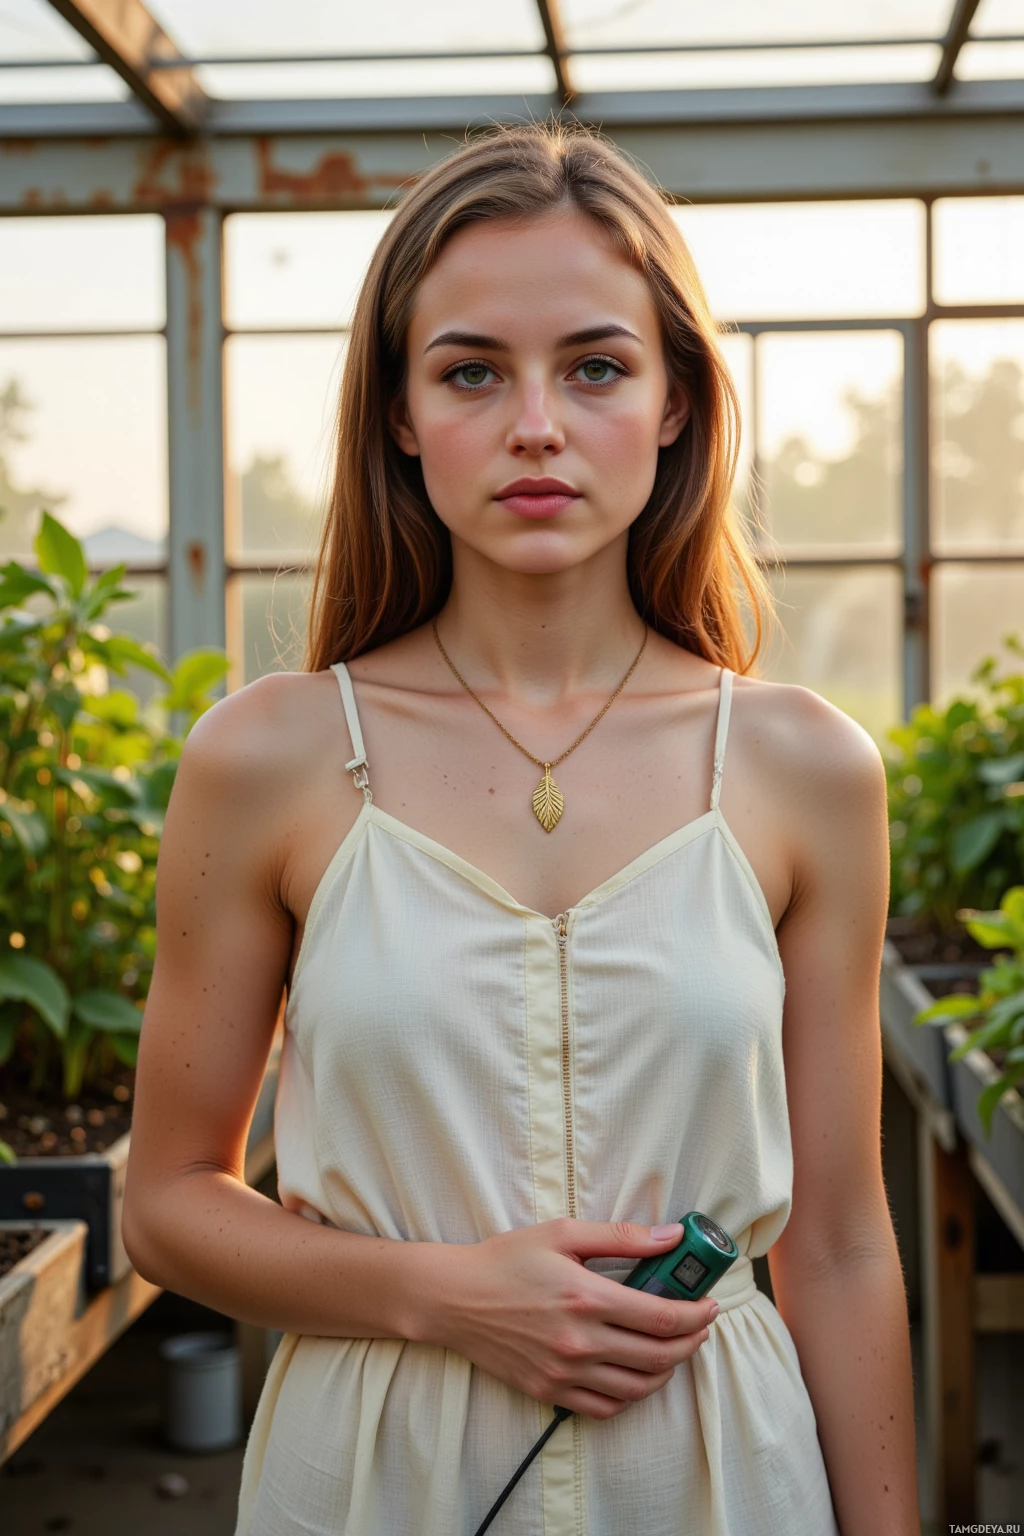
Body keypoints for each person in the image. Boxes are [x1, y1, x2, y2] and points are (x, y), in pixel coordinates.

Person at [122, 121, 921, 1535]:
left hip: (725, 1478)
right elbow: (170, 1201)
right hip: (370, 1479)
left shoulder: (806, 766)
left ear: (677, 402)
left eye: (598, 367)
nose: (536, 424)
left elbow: (847, 1242)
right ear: (398, 412)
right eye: (473, 371)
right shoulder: (270, 755)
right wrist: (442, 1297)